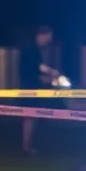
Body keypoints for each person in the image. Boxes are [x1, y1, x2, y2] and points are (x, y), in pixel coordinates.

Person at [19, 25, 61, 154]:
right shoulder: (30, 50)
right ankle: (26, 146)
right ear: (41, 35)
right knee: (29, 116)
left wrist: (51, 73)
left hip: (33, 86)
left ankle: (29, 144)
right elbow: (33, 69)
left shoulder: (34, 49)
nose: (49, 40)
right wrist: (48, 76)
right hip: (29, 88)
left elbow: (39, 66)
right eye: (48, 37)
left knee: (33, 116)